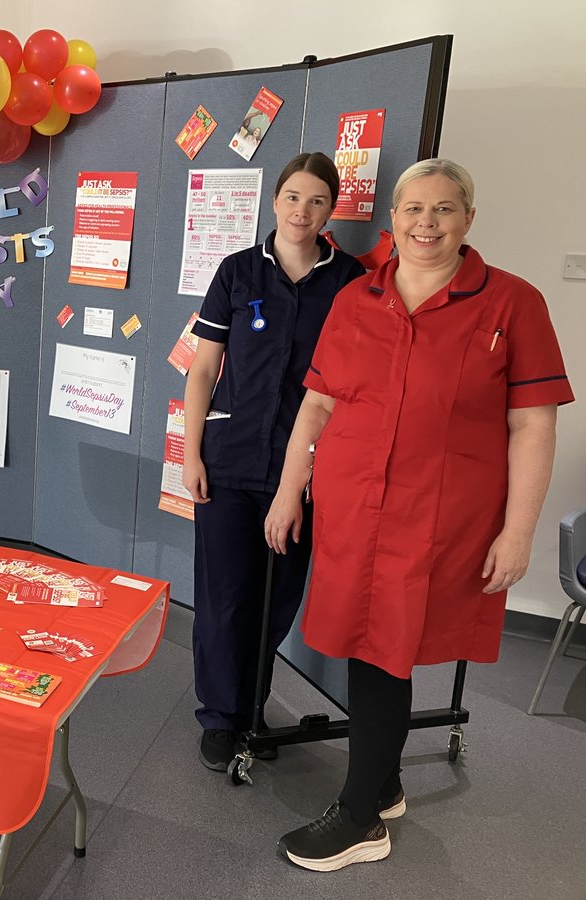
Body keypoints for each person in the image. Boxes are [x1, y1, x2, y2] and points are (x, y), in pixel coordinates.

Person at [266, 158, 573, 871]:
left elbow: (533, 425)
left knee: (383, 652)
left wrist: (520, 530)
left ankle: (361, 817)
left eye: (443, 209)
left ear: (469, 218)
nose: (426, 224)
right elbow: (318, 403)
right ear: (391, 218)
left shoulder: (512, 304)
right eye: (412, 209)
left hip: (438, 517)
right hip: (350, 508)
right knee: (364, 642)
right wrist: (290, 488)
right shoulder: (357, 298)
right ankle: (386, 776)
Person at [183, 152, 364, 771]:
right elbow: (204, 368)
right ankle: (218, 716)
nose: (302, 211)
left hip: (306, 473)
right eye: (292, 197)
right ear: (275, 201)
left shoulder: (351, 280)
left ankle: (251, 708)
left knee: (275, 597)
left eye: (316, 200)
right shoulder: (237, 272)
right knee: (223, 597)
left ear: (331, 210)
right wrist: (190, 454)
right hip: (229, 462)